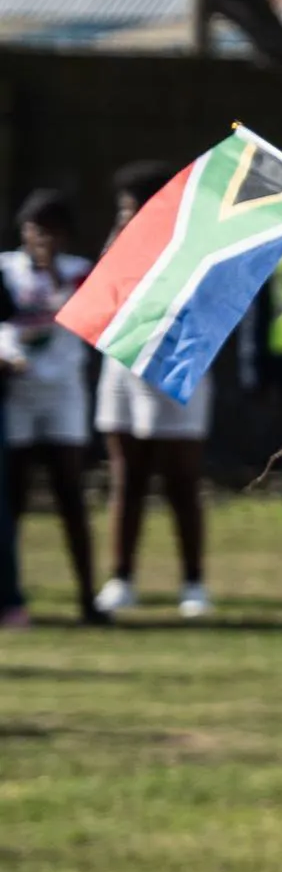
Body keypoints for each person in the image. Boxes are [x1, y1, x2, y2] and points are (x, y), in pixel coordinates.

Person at [90, 158, 215, 619]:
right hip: (123, 369)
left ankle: (194, 584)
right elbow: (103, 296)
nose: (123, 217)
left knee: (182, 480)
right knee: (128, 477)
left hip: (179, 366)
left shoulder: (193, 244)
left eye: (130, 209)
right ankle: (121, 578)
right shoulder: (119, 242)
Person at [6, 191, 98, 626]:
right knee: (14, 498)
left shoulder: (79, 272)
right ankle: (11, 595)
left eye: (46, 230)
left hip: (63, 393)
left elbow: (87, 310)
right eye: (31, 228)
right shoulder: (6, 269)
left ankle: (87, 597)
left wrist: (50, 271)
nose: (37, 238)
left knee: (69, 493)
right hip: (18, 394)